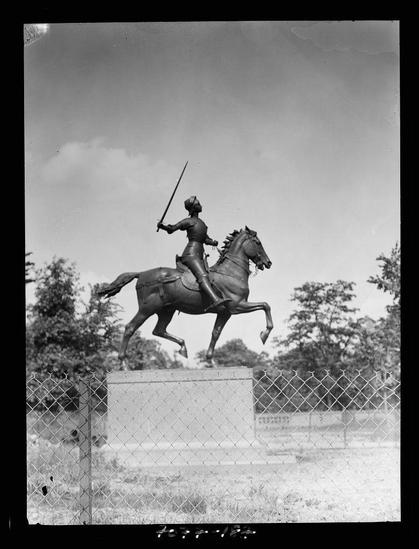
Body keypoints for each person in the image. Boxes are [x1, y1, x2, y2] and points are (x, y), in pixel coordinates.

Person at [157, 196, 231, 311]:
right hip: (190, 255)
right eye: (197, 203)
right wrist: (163, 226)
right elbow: (172, 229)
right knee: (203, 275)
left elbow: (205, 239)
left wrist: (213, 242)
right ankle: (215, 300)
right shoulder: (188, 221)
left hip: (200, 255)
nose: (200, 204)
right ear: (192, 208)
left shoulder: (201, 223)